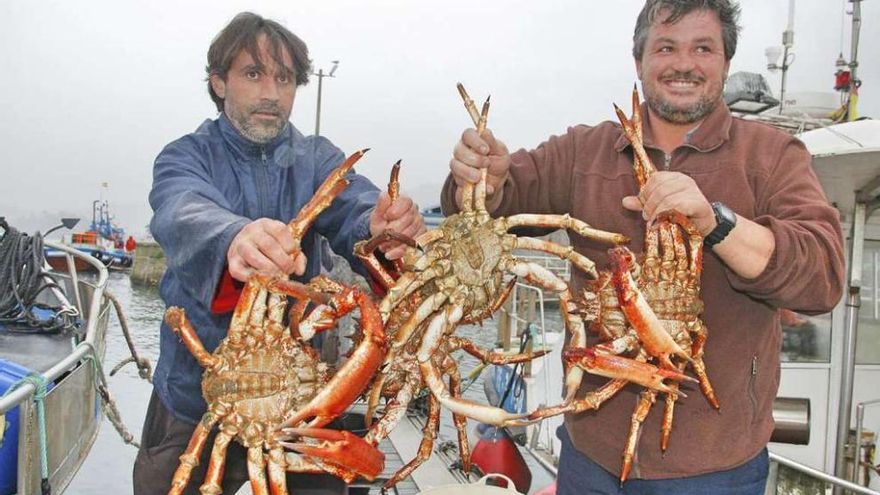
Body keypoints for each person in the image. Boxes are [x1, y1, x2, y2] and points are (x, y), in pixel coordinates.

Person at [441, 1, 845, 493]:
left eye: (703, 48)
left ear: (725, 62)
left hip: (716, 467)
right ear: (639, 61)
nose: (683, 63)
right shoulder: (582, 151)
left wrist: (717, 222)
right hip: (590, 455)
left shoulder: (772, 155)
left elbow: (822, 278)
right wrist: (479, 178)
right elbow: (487, 207)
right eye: (666, 47)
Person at [134, 12, 425, 495]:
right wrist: (232, 237)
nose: (271, 92)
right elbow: (181, 208)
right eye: (253, 74)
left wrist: (382, 228)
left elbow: (355, 205)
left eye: (284, 78)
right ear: (219, 82)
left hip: (298, 403)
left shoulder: (319, 160)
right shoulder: (185, 156)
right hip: (195, 401)